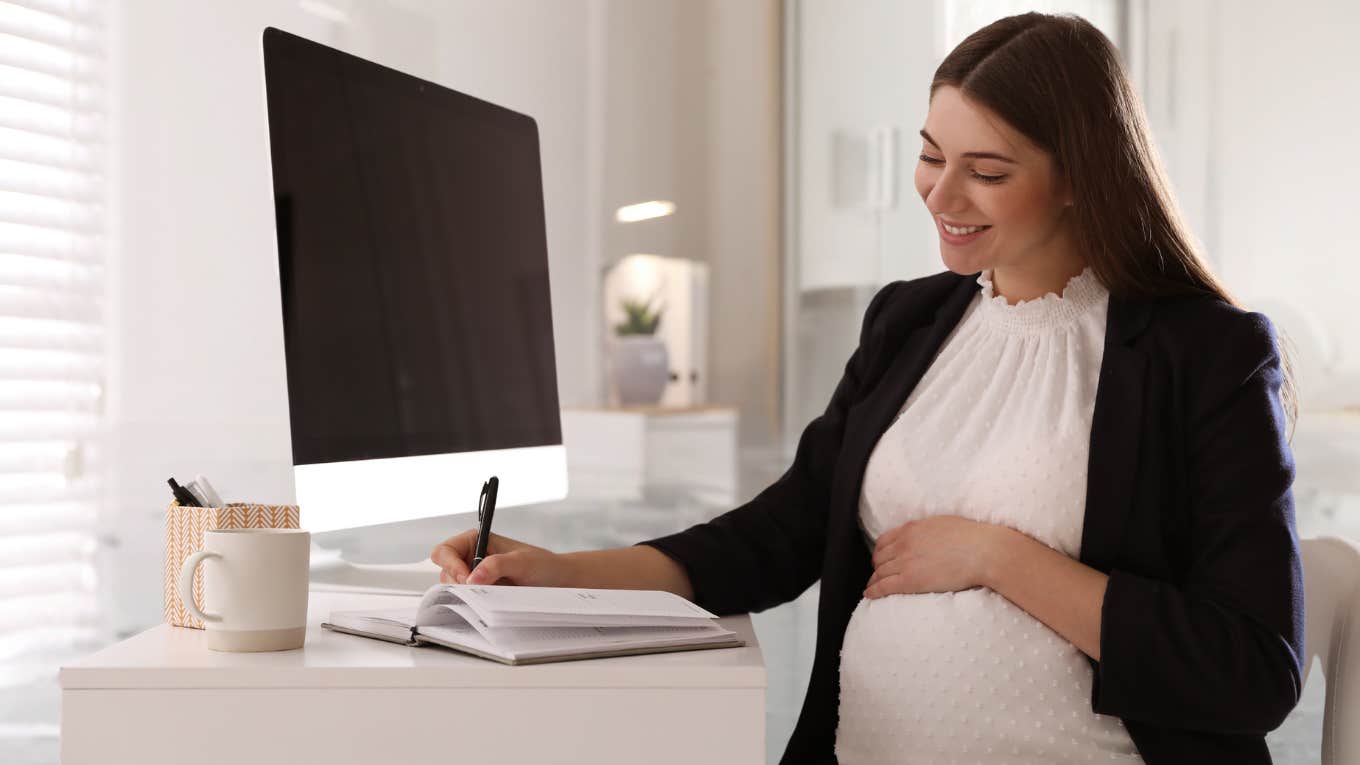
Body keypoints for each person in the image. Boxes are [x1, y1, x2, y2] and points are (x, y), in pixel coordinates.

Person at [431, 12, 1305, 765]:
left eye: (987, 171)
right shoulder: (909, 323)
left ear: (1080, 176)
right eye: (932, 155)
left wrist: (997, 557)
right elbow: (778, 534)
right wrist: (556, 573)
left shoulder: (1205, 354)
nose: (941, 194)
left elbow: (1252, 668)